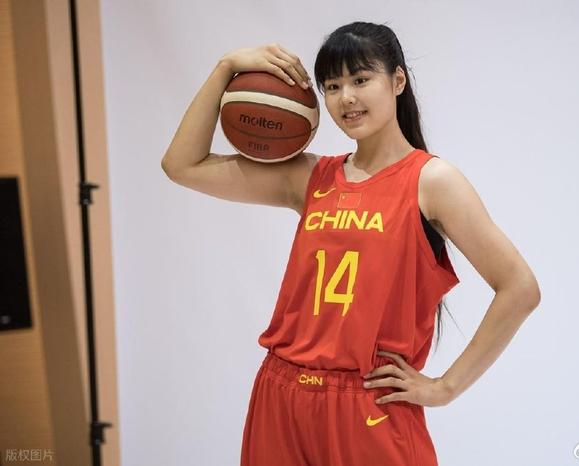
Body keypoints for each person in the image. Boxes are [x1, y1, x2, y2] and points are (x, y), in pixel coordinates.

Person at [161, 21, 540, 466]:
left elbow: (519, 288)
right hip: (281, 396)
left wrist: (445, 387)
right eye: (333, 86)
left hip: (368, 405)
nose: (346, 98)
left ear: (397, 81)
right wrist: (225, 68)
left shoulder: (432, 181)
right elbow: (181, 165)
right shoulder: (309, 176)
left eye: (361, 80)